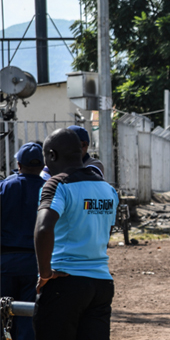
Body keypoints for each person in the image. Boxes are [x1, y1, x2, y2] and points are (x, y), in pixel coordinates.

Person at [33, 128, 119, 340]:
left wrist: (45, 273)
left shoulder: (57, 184)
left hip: (65, 281)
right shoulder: (107, 189)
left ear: (52, 155)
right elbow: (106, 233)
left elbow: (43, 228)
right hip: (101, 284)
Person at [1, 143, 46, 340]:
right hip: (36, 262)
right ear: (42, 165)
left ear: (19, 164)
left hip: (5, 262)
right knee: (29, 317)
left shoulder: (4, 187)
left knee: (1, 312)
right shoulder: (50, 188)